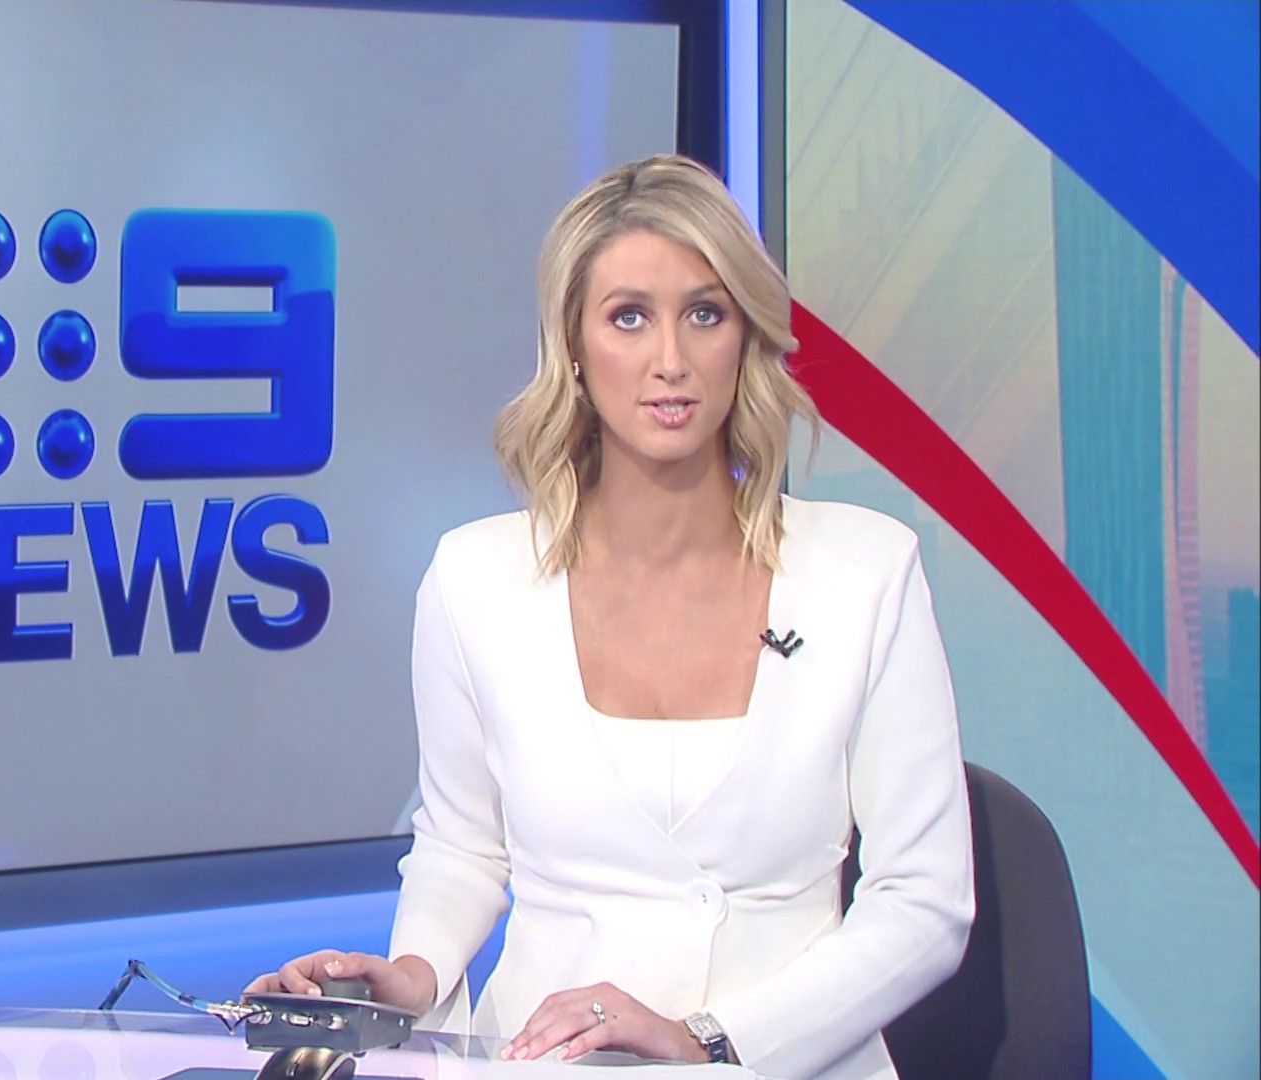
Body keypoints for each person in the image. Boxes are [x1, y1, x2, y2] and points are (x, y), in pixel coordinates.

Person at [243, 154, 974, 1079]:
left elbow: (925, 902)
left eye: (704, 314)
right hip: (545, 1062)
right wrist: (411, 978)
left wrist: (709, 1038)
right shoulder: (476, 579)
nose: (671, 360)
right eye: (629, 317)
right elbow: (463, 846)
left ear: (744, 337)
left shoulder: (865, 572)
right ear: (576, 351)